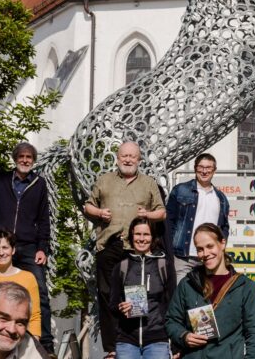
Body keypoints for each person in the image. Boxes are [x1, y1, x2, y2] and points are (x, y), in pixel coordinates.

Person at [84, 141, 166, 357]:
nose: (128, 160)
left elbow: (162, 212)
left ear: (139, 159)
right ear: (117, 158)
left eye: (132, 156)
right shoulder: (105, 180)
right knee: (106, 295)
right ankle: (111, 349)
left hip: (136, 248)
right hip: (109, 244)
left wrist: (147, 214)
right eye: (124, 156)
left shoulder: (149, 183)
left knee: (137, 294)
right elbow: (88, 205)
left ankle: (135, 340)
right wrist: (100, 213)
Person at [0, 142, 53, 353]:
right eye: (21, 156)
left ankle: (45, 345)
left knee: (39, 291)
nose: (25, 160)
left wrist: (42, 248)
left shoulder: (39, 184)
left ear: (33, 160)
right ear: (15, 158)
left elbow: (43, 219)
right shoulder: (2, 180)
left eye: (29, 157)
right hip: (2, 243)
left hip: (29, 246)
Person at [166, 222, 255, 358]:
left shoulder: (245, 287)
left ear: (222, 243)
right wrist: (184, 336)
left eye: (210, 246)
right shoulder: (187, 284)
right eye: (200, 249)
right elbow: (171, 320)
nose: (205, 253)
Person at [109, 217, 177, 359]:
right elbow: (112, 305)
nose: (141, 239)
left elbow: (173, 305)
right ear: (131, 236)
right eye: (137, 234)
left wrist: (175, 344)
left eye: (146, 234)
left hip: (157, 339)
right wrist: (121, 307)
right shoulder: (121, 266)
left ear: (152, 237)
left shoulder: (164, 265)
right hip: (127, 339)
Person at [165, 153, 230, 282]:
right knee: (181, 295)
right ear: (195, 168)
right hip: (183, 257)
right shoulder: (180, 190)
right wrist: (170, 248)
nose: (204, 171)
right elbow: (169, 221)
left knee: (207, 298)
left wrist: (220, 247)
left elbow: (224, 227)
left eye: (208, 168)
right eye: (201, 167)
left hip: (210, 258)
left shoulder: (221, 198)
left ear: (214, 170)